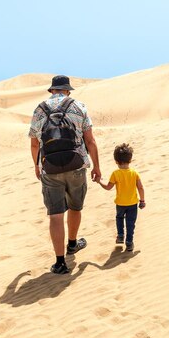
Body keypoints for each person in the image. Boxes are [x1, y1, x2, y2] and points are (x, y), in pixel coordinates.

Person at [29, 75, 101, 274]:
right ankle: (72, 244)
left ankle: (60, 262)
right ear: (67, 90)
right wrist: (96, 166)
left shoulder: (40, 109)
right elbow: (91, 141)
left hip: (50, 168)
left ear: (52, 90)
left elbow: (35, 143)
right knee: (75, 207)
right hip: (76, 165)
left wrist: (36, 165)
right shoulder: (79, 107)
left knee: (56, 214)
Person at [95, 143, 145, 252]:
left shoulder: (115, 174)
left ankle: (121, 235)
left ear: (116, 161)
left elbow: (108, 187)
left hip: (120, 204)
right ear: (130, 160)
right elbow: (140, 188)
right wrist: (142, 200)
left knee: (119, 218)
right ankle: (129, 243)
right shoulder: (134, 173)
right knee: (131, 223)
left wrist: (99, 182)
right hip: (132, 204)